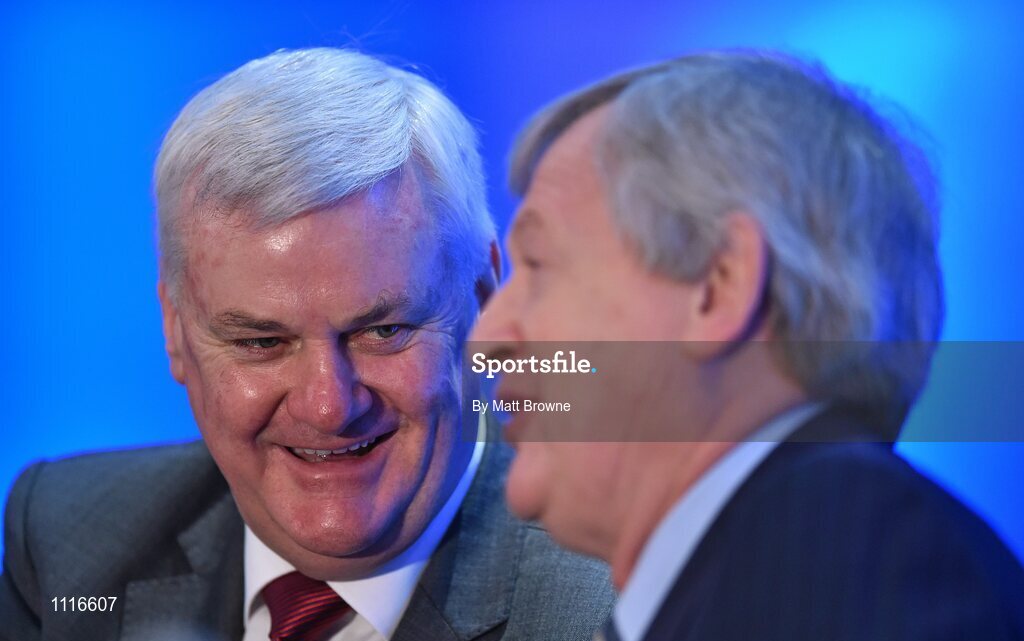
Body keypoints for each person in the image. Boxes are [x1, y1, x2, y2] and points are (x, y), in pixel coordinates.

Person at [0, 48, 613, 641]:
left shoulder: (615, 606)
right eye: (261, 341)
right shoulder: (67, 545)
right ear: (175, 330)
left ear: (482, 301)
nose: (328, 405)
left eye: (382, 331)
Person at [471, 51, 1024, 641]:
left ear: (719, 286)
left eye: (539, 265)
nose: (485, 339)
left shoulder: (855, 556)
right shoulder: (781, 574)